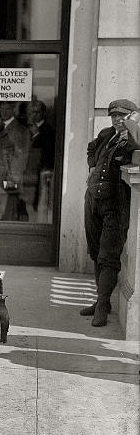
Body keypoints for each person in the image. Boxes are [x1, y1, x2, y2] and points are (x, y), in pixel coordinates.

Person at [81, 99, 140, 326]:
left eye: (123, 116)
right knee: (95, 251)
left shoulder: (133, 138)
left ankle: (103, 305)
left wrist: (133, 122)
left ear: (132, 116)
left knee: (108, 255)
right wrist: (93, 166)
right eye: (114, 115)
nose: (117, 119)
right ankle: (99, 301)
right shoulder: (107, 134)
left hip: (116, 205)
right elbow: (91, 148)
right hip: (93, 201)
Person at [0, 101, 30, 221]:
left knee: (8, 212)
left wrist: (13, 180)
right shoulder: (2, 127)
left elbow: (20, 156)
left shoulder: (18, 130)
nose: (3, 112)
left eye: (7, 109)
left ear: (13, 110)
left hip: (8, 178)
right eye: (1, 109)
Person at [23, 99, 56, 214]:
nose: (33, 115)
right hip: (27, 172)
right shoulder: (25, 128)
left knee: (40, 206)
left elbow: (47, 150)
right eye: (31, 112)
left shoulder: (49, 130)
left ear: (43, 113)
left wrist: (37, 134)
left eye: (36, 112)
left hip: (41, 172)